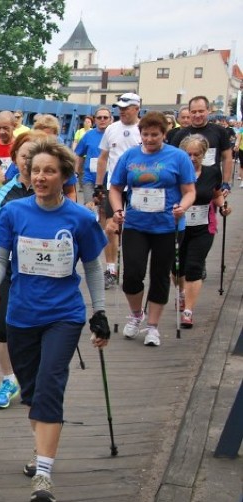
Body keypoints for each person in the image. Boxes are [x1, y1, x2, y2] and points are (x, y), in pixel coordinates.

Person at [0, 137, 109, 502]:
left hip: (64, 316)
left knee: (51, 385)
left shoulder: (80, 218)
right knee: (34, 393)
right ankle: (42, 453)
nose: (40, 177)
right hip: (21, 313)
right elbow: (1, 258)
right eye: (35, 170)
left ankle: (44, 474)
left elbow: (93, 267)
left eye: (49, 171)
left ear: (64, 175)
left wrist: (98, 310)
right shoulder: (14, 212)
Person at [108, 111, 196, 346]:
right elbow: (115, 188)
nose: (149, 139)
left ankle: (153, 327)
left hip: (167, 225)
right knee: (133, 275)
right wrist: (117, 210)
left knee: (160, 276)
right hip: (136, 224)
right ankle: (137, 315)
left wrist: (182, 207)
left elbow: (189, 191)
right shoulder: (129, 156)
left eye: (154, 135)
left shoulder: (178, 157)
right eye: (145, 134)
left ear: (164, 134)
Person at [0, 130, 49, 408]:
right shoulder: (3, 192)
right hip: (7, 265)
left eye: (34, 156)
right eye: (24, 155)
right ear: (15, 158)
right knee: (1, 324)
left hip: (42, 269)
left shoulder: (49, 190)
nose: (28, 161)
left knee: (40, 323)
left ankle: (37, 374)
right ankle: (8, 378)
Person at [177, 134, 230, 328]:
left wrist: (223, 207)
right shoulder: (177, 172)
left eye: (197, 154)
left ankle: (188, 311)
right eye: (188, 154)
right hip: (179, 227)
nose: (192, 158)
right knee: (176, 269)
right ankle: (182, 292)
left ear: (203, 154)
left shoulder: (212, 172)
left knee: (194, 267)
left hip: (203, 227)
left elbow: (216, 194)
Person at [95, 92, 143, 288]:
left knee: (133, 230)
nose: (122, 111)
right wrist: (99, 186)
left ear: (136, 108)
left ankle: (133, 266)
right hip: (114, 187)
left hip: (137, 188)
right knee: (110, 228)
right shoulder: (112, 129)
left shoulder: (143, 130)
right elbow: (103, 158)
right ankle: (111, 269)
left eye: (126, 108)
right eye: (120, 108)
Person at [170, 96, 233, 194]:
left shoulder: (219, 131)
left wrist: (226, 182)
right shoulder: (180, 134)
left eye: (201, 111)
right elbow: (172, 160)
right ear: (190, 112)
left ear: (208, 111)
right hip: (186, 186)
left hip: (212, 187)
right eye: (194, 112)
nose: (197, 115)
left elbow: (227, 158)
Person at [74, 106, 113, 208]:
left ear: (110, 119)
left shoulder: (115, 135)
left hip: (109, 180)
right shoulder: (88, 135)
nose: (102, 120)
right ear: (95, 120)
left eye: (105, 117)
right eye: (99, 117)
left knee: (104, 211)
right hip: (89, 179)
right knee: (88, 207)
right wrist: (76, 172)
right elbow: (79, 154)